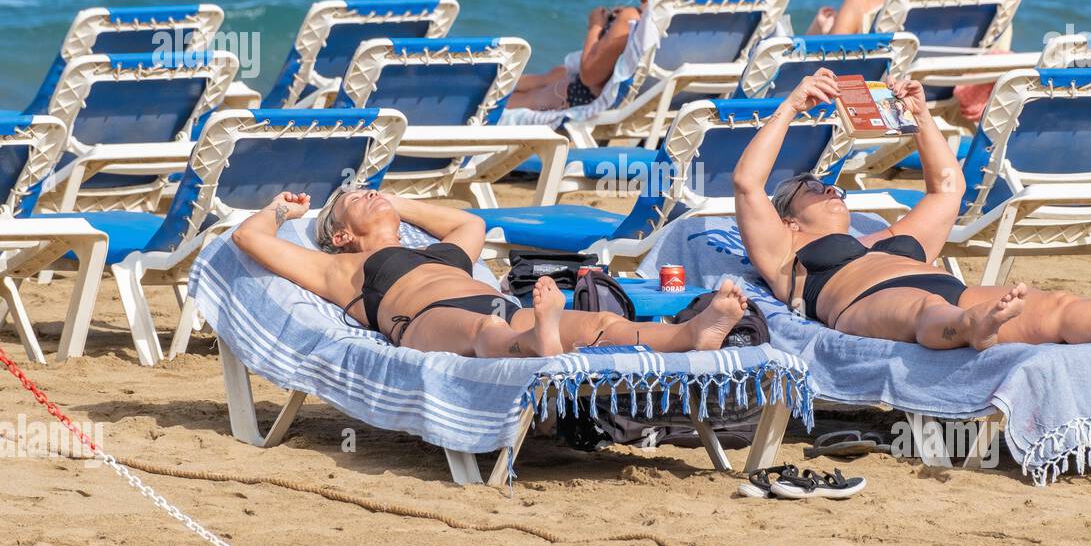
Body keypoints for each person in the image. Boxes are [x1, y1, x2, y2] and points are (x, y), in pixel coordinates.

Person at [731, 69, 1091, 350]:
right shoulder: (785, 254)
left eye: (832, 184)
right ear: (789, 218)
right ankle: (973, 329)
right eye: (813, 186)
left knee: (1059, 307)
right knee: (926, 311)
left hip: (947, 287)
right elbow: (747, 183)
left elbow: (945, 187)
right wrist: (793, 104)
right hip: (867, 302)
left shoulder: (884, 239)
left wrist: (921, 117)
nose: (830, 188)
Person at [231, 184, 746, 358]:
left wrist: (396, 202)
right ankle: (536, 344)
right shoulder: (339, 268)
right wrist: (282, 210)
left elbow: (468, 223)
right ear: (341, 234)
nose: (366, 192)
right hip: (428, 318)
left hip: (502, 303)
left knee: (596, 327)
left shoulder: (444, 254)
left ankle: (691, 334)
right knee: (487, 333)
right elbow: (248, 238)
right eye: (353, 202)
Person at [507, 0, 690, 114]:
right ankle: (495, 87)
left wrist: (596, 25)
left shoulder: (630, 18)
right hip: (664, 101)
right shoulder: (689, 16)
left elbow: (589, 76)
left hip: (589, 102)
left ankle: (488, 97)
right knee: (557, 73)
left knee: (530, 97)